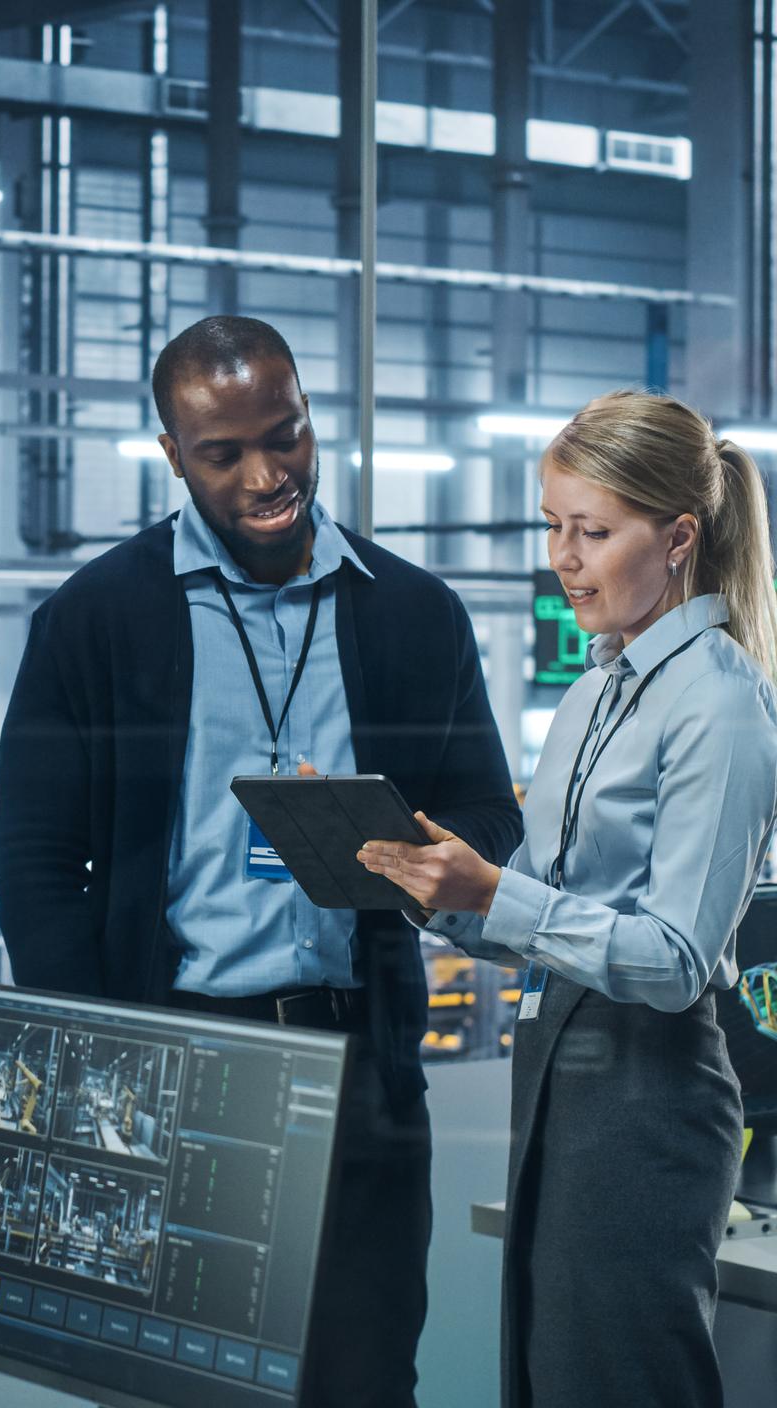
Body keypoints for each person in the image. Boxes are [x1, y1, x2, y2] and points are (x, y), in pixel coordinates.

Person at [0, 314, 522, 1405]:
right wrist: (100, 1067)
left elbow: (486, 812)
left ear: (310, 419)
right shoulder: (93, 620)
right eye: (224, 452)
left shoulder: (414, 614)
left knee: (364, 1375)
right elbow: (37, 862)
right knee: (174, 1380)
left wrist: (401, 852)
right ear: (172, 454)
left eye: (283, 436)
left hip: (359, 1061)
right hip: (172, 1062)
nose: (266, 473)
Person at [358, 389, 777, 1408]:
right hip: (556, 1068)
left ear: (678, 538)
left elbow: (676, 957)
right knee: (547, 1379)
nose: (563, 556)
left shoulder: (721, 704)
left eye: (592, 531)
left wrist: (501, 892)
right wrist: (445, 892)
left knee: (624, 1380)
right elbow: (552, 916)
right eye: (553, 525)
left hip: (650, 1089)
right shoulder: (592, 690)